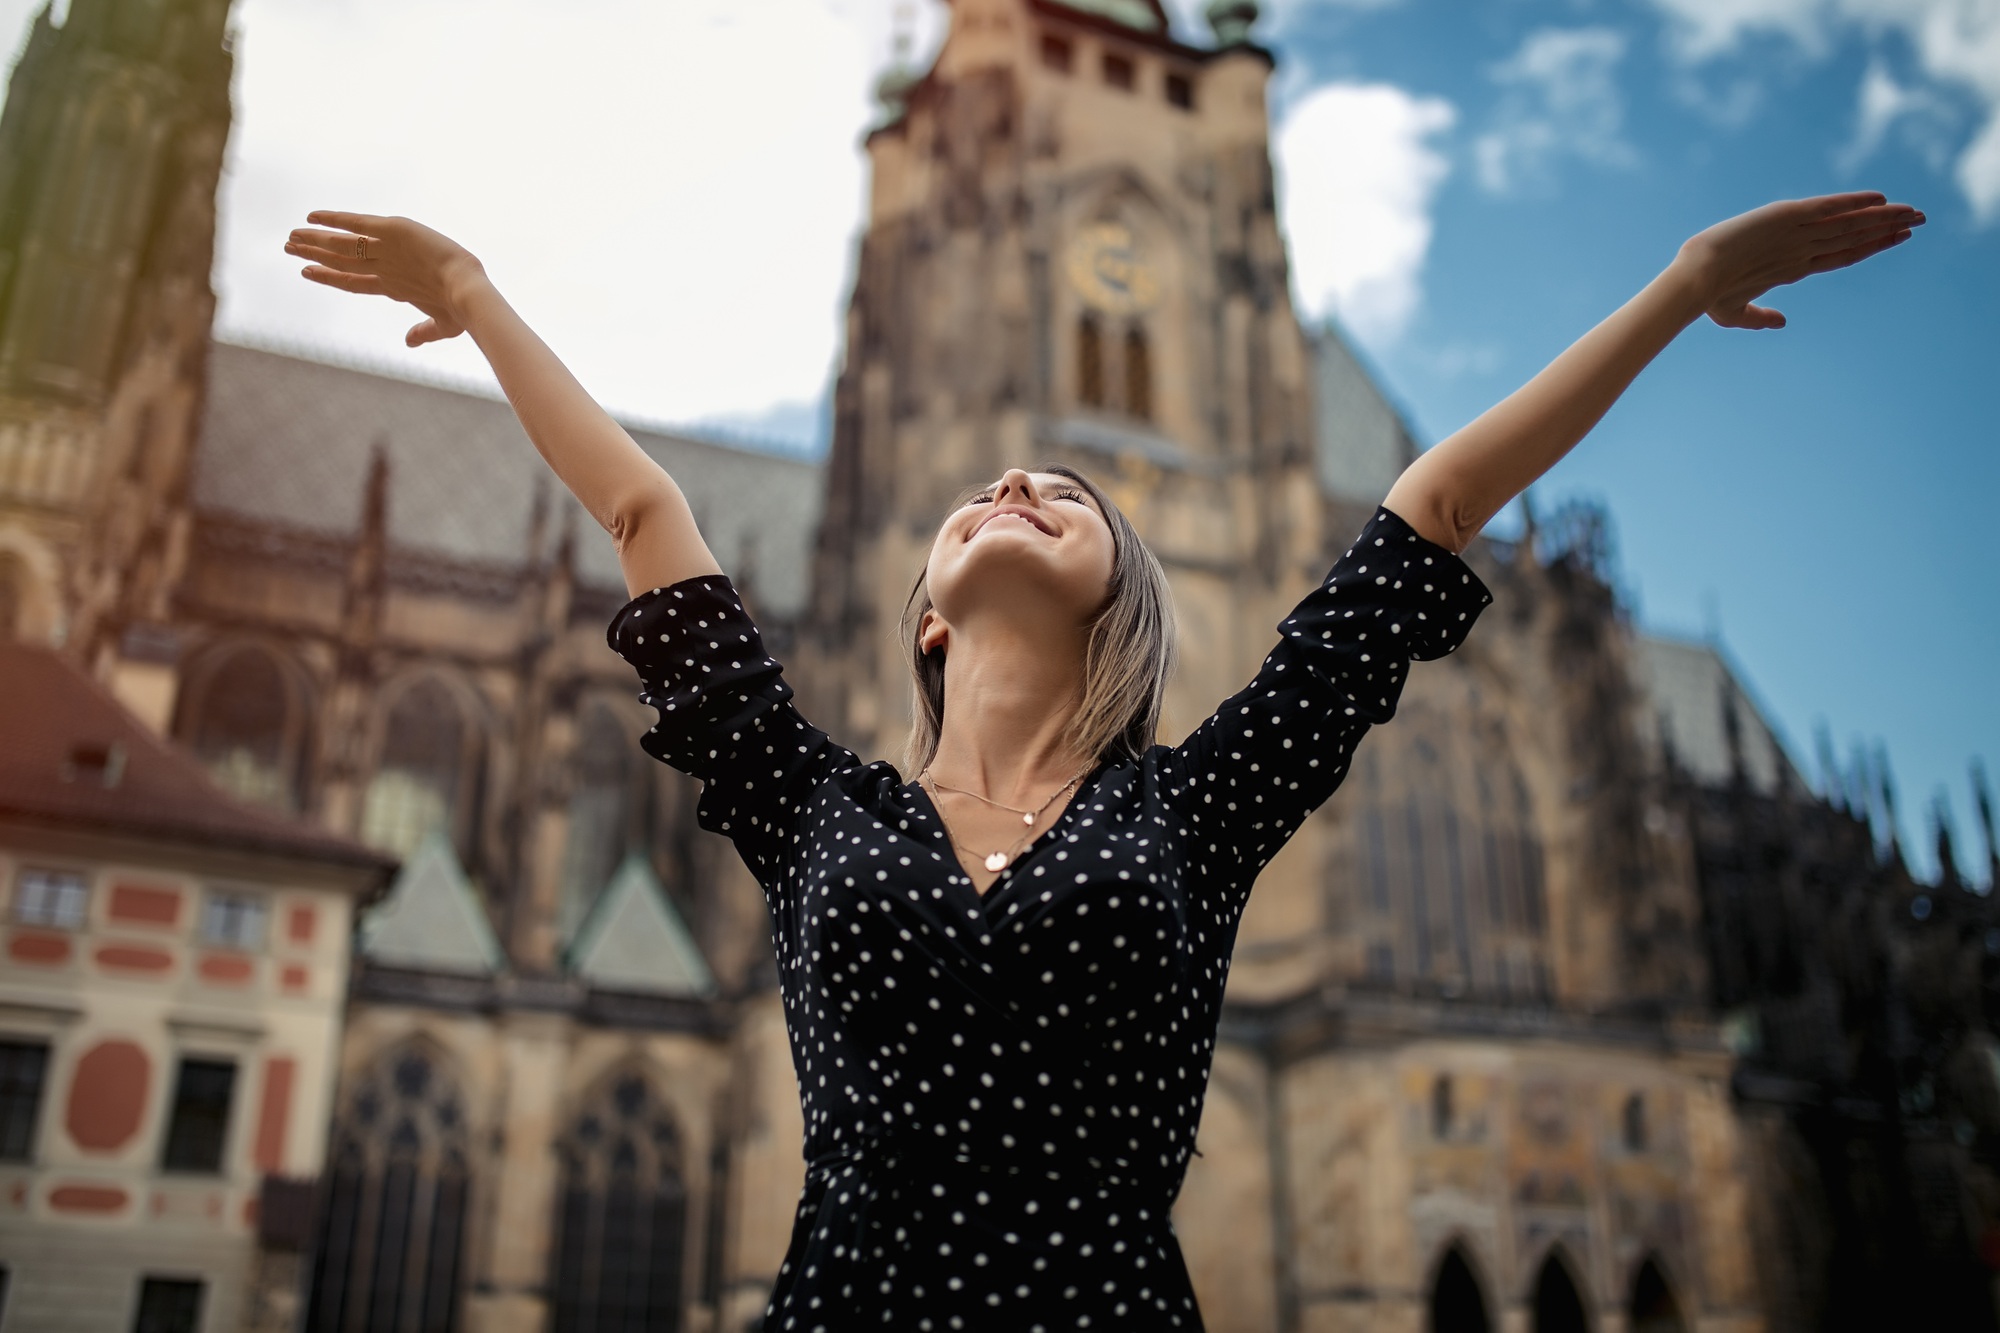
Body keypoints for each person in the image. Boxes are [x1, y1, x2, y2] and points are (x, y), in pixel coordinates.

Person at [287, 190, 1921, 1330]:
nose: (1019, 478)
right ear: (925, 616)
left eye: (1065, 495)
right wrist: (481, 297)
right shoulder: (817, 806)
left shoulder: (1191, 810)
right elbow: (647, 515)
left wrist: (1682, 285)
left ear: (1121, 600)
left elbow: (1425, 513)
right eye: (989, 489)